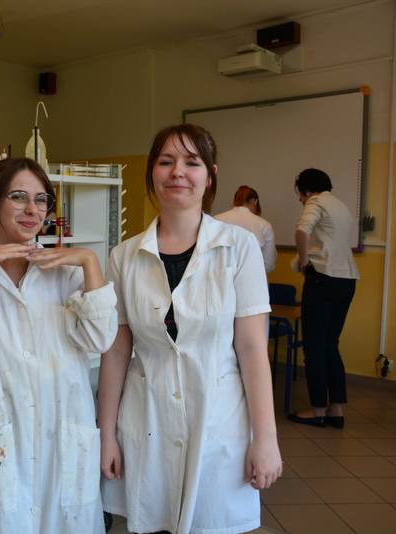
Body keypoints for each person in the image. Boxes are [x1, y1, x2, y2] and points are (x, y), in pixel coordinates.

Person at [99, 124, 281, 534]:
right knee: (152, 523)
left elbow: (253, 349)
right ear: (152, 174)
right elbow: (116, 350)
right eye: (166, 161)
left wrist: (265, 438)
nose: (177, 172)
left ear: (210, 176)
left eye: (191, 162)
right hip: (147, 421)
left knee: (211, 523)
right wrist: (106, 435)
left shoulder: (239, 247)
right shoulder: (124, 256)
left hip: (219, 420)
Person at [0, 157, 118, 533]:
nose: (33, 210)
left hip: (65, 441)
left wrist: (89, 260)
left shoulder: (68, 273)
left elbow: (101, 339)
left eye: (41, 200)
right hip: (3, 445)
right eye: (18, 197)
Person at [286, 168, 359, 430]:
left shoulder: (315, 202)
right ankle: (335, 411)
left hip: (323, 279)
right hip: (347, 280)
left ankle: (316, 410)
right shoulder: (341, 205)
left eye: (300, 193)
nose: (300, 199)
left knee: (314, 348)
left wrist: (304, 262)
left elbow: (301, 231)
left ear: (307, 190)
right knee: (330, 346)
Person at [214, 185, 277, 273]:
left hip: (219, 278)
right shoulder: (264, 225)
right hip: (252, 278)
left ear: (235, 200)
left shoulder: (215, 220)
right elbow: (267, 266)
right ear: (255, 202)